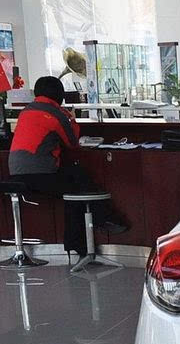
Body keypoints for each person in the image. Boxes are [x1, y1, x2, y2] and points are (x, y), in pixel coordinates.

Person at [9, 75, 127, 254]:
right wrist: (71, 118)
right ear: (60, 95)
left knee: (75, 183)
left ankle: (90, 232)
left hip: (16, 173)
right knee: (79, 186)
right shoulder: (56, 113)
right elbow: (73, 142)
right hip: (40, 175)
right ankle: (103, 221)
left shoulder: (26, 111)